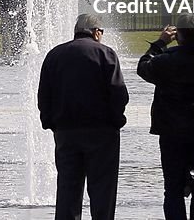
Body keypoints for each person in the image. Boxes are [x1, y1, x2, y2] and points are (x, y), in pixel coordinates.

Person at [37, 13, 129, 220]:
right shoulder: (106, 54)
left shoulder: (55, 54)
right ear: (97, 32)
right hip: (102, 132)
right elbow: (118, 93)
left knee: (68, 190)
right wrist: (116, 121)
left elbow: (44, 94)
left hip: (66, 132)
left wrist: (50, 123)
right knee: (103, 191)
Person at [137, 13, 194, 220]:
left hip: (171, 131)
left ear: (177, 36)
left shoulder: (164, 62)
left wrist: (160, 43)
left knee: (173, 188)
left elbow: (143, 67)